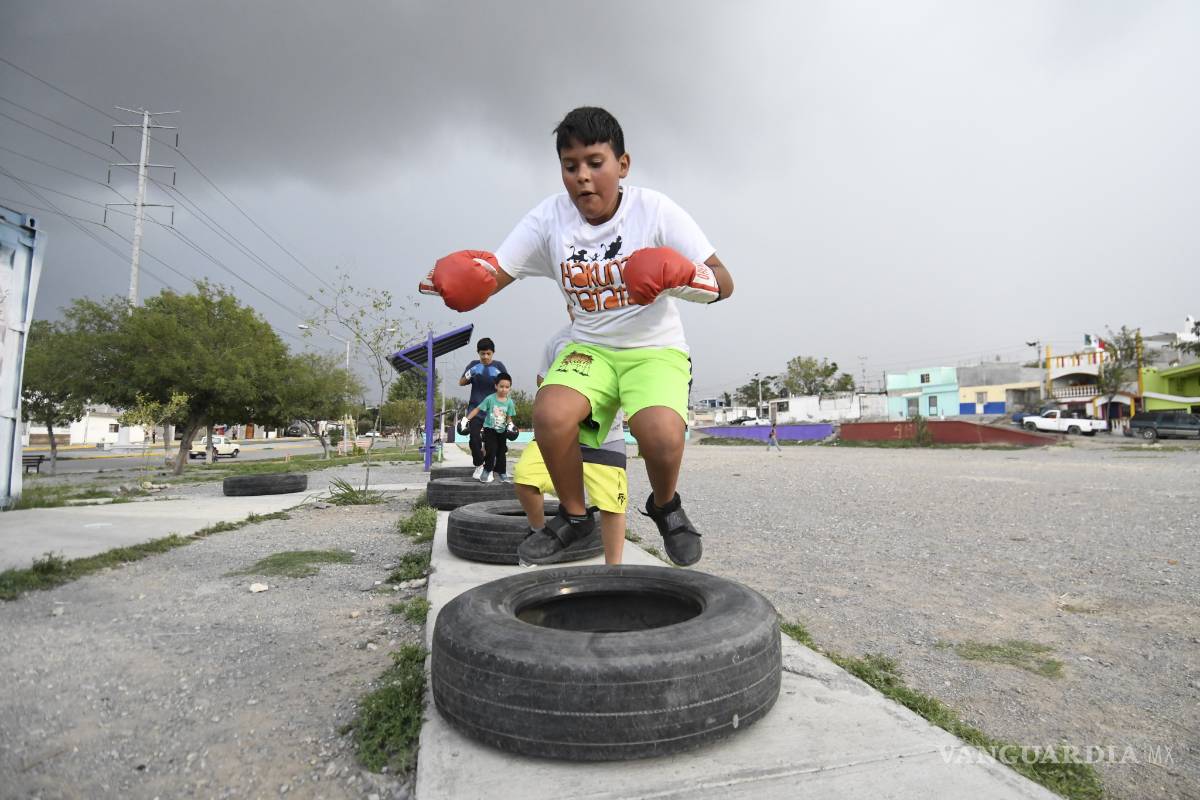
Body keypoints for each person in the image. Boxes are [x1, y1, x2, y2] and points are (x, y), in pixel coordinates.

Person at [420, 106, 733, 566]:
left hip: (655, 350)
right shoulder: (550, 220)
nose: (583, 177)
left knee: (660, 435)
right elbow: (498, 271)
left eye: (595, 162)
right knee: (550, 415)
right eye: (571, 167)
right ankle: (573, 515)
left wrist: (681, 274)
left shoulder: (655, 210)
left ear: (622, 165)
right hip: (591, 347)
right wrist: (467, 280)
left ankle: (666, 506)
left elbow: (724, 281)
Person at [513, 324, 628, 565]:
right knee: (525, 478)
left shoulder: (621, 335)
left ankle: (614, 571)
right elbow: (542, 378)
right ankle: (538, 532)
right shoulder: (558, 340)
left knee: (612, 506)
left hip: (605, 433)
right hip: (560, 431)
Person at [458, 337, 508, 480]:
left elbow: (507, 387)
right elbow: (461, 382)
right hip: (476, 409)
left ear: (493, 353)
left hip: (495, 410)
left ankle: (492, 467)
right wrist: (470, 373)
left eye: (488, 353)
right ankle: (479, 465)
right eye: (482, 354)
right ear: (478, 353)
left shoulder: (499, 366)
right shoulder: (473, 365)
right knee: (474, 439)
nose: (485, 357)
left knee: (495, 443)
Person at [459, 372, 516, 483]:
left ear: (509, 388)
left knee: (502, 452)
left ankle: (502, 473)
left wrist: (511, 425)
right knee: (491, 451)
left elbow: (509, 418)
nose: (504, 389)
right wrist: (467, 419)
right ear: (496, 386)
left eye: (507, 387)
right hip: (490, 430)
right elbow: (477, 409)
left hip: (502, 431)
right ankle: (487, 470)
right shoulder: (490, 399)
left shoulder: (509, 402)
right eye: (501, 386)